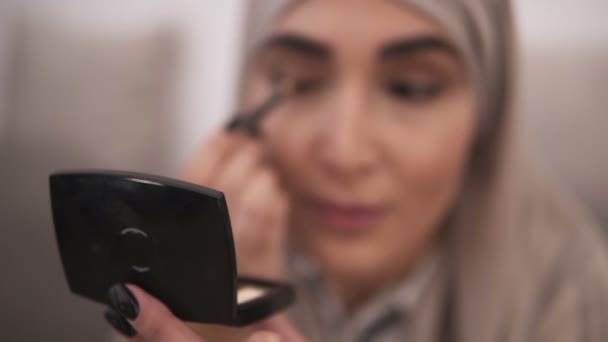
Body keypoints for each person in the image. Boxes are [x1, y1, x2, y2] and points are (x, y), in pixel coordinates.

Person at [105, 0, 608, 341]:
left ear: (487, 117)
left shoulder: (577, 304)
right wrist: (207, 310)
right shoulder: (163, 284)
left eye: (411, 88)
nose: (346, 153)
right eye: (296, 81)